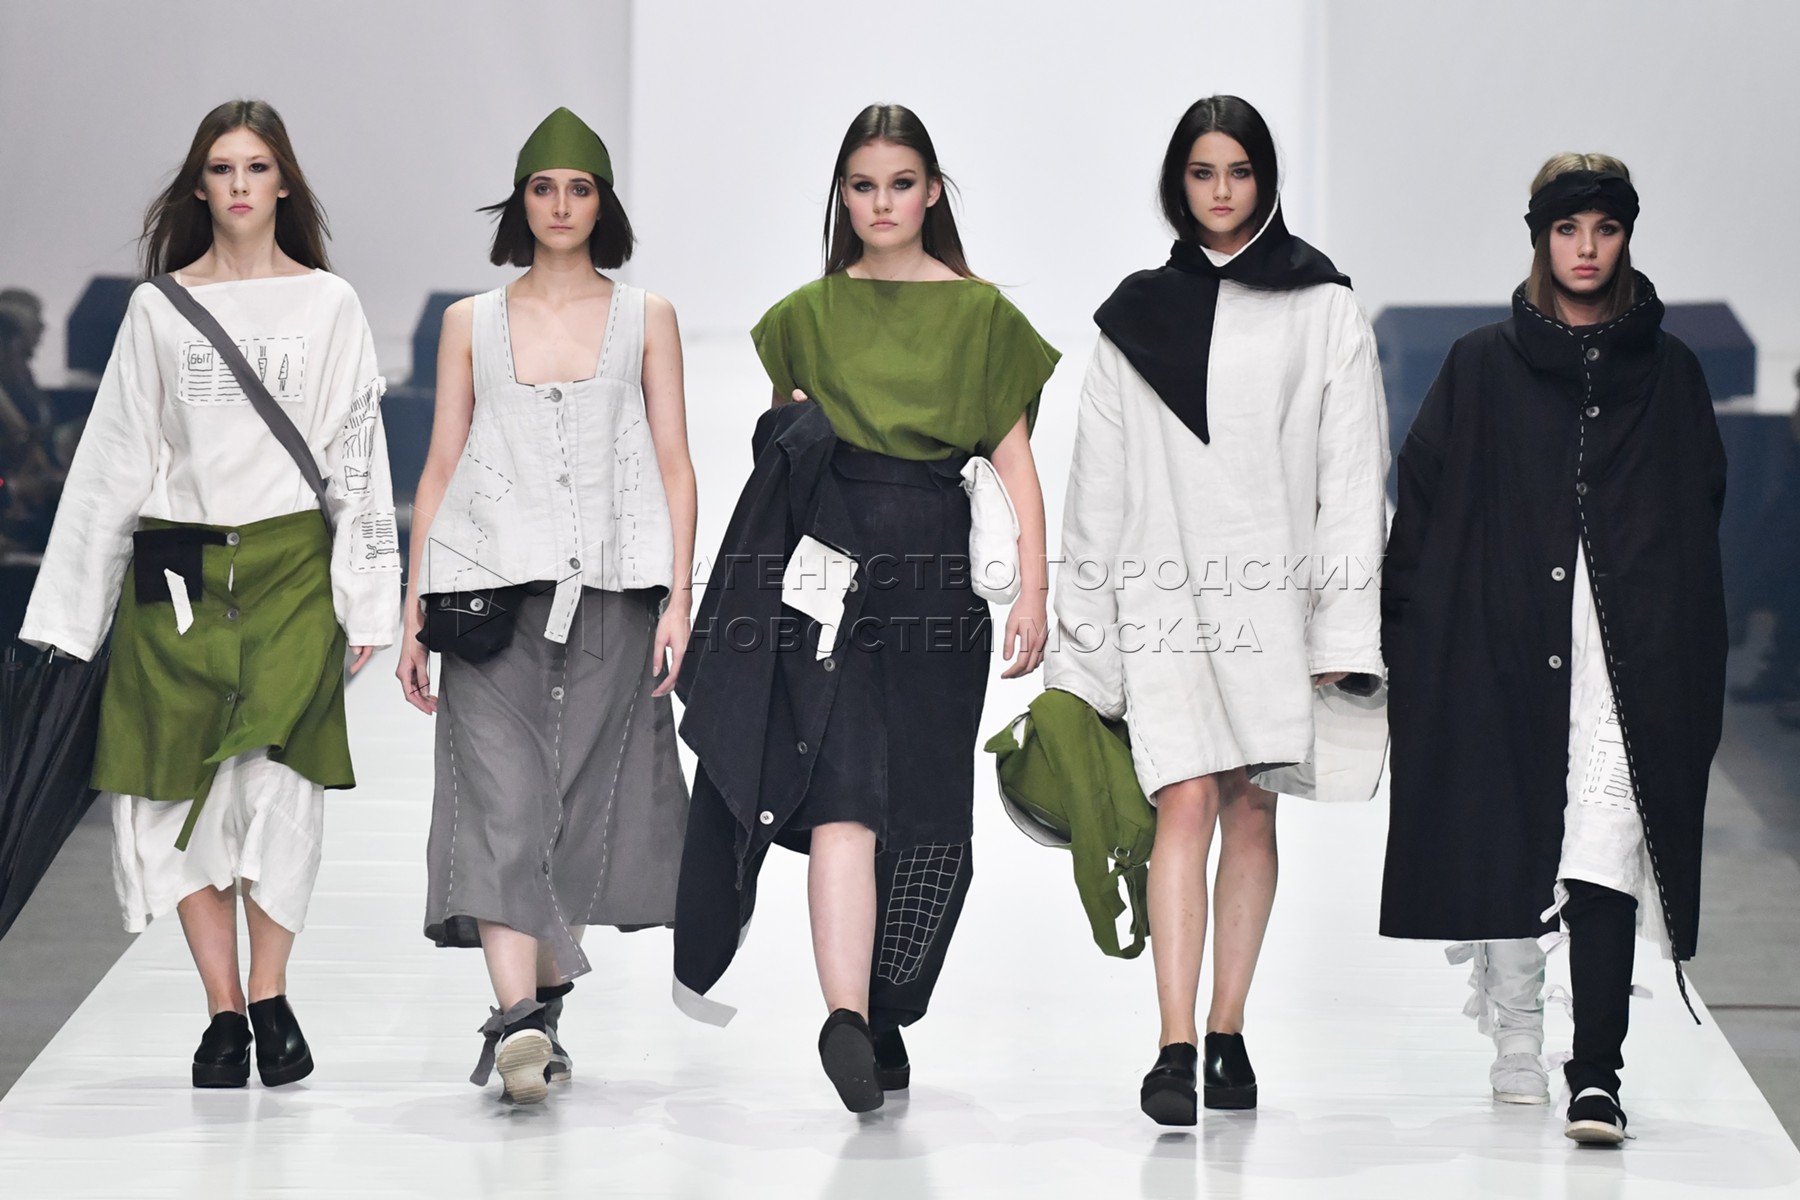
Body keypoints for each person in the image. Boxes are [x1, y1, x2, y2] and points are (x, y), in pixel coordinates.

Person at [671, 102, 1059, 1113]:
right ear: (842, 198)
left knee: (923, 808)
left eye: (900, 183)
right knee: (840, 790)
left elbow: (1013, 458)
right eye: (862, 185)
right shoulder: (804, 317)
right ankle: (843, 1016)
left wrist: (1035, 587)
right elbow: (786, 457)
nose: (881, 202)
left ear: (931, 193)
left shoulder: (982, 316)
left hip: (938, 578)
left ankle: (884, 1012)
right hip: (830, 576)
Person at [18, 99, 401, 1088]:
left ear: (284, 184)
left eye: (257, 167)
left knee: (281, 784)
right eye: (223, 168)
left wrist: (367, 594)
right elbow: (114, 461)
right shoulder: (159, 309)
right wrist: (69, 616)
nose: (239, 184)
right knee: (172, 787)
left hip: (288, 568)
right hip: (175, 566)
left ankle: (270, 996)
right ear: (200, 185)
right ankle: (223, 1012)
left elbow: (358, 456)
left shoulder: (328, 305)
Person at [1048, 95, 1389, 1126]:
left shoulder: (1323, 307)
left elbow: (1351, 475)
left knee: (1249, 804)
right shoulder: (1132, 317)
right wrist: (1084, 650)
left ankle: (1228, 1027)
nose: (1222, 191)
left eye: (1238, 171)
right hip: (1162, 590)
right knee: (1183, 801)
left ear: (1265, 179)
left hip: (1273, 593)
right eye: (1202, 172)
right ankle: (1174, 1043)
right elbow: (1094, 489)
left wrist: (1344, 629)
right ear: (1178, 184)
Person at [1380, 155, 1727, 1145]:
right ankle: (1518, 1037)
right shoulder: (1481, 365)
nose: (1586, 248)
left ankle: (1598, 1075)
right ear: (1540, 236)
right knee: (1510, 831)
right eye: (1568, 229)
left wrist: (1675, 633)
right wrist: (1403, 629)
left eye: (1605, 229)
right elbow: (1424, 499)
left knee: (1604, 842)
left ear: (1626, 237)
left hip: (1625, 645)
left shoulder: (1669, 371)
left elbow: (1697, 508)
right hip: (1499, 633)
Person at [395, 107, 695, 1106]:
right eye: (543, 187)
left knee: (573, 814)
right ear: (518, 202)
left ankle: (542, 1006)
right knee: (503, 807)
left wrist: (678, 597)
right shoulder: (470, 322)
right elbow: (439, 464)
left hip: (612, 597)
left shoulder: (646, 316)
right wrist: (413, 607)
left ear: (603, 203)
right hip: (486, 597)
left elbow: (674, 462)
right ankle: (520, 1021)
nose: (561, 205)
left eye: (579, 188)